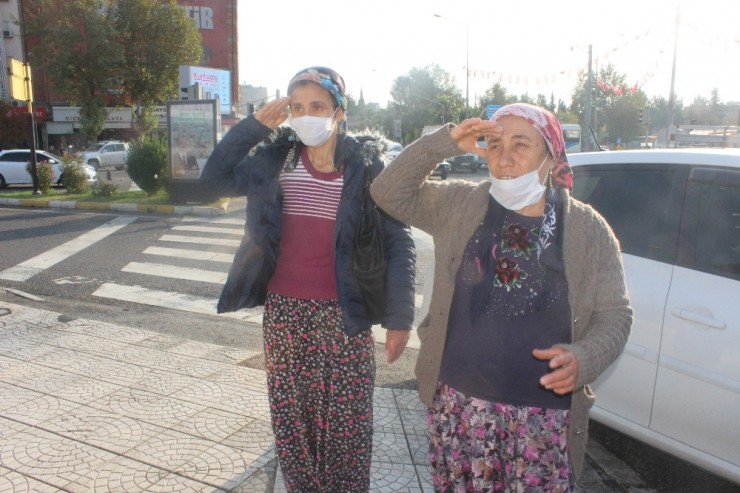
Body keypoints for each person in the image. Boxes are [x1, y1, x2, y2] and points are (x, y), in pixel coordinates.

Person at [370, 103, 632, 492]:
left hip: (542, 422)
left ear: (550, 154)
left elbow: (616, 314)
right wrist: (443, 144)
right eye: (494, 145)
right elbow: (387, 192)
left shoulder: (587, 229)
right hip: (458, 410)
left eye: (520, 144)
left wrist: (586, 357)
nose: (504, 158)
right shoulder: (461, 203)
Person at [199, 66, 416, 492]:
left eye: (317, 106)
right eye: (297, 107)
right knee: (293, 427)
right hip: (285, 316)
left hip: (345, 317)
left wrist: (399, 316)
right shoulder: (274, 160)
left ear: (338, 111)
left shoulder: (367, 166)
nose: (306, 115)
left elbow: (399, 239)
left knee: (346, 430)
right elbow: (212, 183)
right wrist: (252, 128)